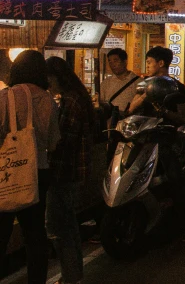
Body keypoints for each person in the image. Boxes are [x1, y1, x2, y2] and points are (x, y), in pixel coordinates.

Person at [0, 51, 60, 284]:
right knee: (35, 234)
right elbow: (54, 141)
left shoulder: (7, 96)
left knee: (2, 231)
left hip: (10, 171)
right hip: (39, 171)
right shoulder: (47, 99)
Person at [128, 47, 185, 240]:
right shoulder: (143, 86)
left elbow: (182, 118)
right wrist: (141, 100)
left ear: (161, 63)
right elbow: (130, 109)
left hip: (166, 139)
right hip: (141, 138)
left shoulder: (177, 88)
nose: (147, 66)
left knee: (174, 176)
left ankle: (183, 221)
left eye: (149, 62)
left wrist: (163, 111)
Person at [46, 56, 95, 284]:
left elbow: (65, 142)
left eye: (49, 79)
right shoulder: (76, 98)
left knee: (59, 227)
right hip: (71, 172)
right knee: (67, 226)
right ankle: (73, 276)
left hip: (64, 173)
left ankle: (70, 277)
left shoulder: (71, 101)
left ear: (56, 77)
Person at [99, 48, 140, 129]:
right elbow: (102, 102)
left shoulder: (138, 82)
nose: (112, 64)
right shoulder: (106, 83)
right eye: (110, 61)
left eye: (115, 60)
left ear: (125, 62)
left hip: (130, 125)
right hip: (110, 126)